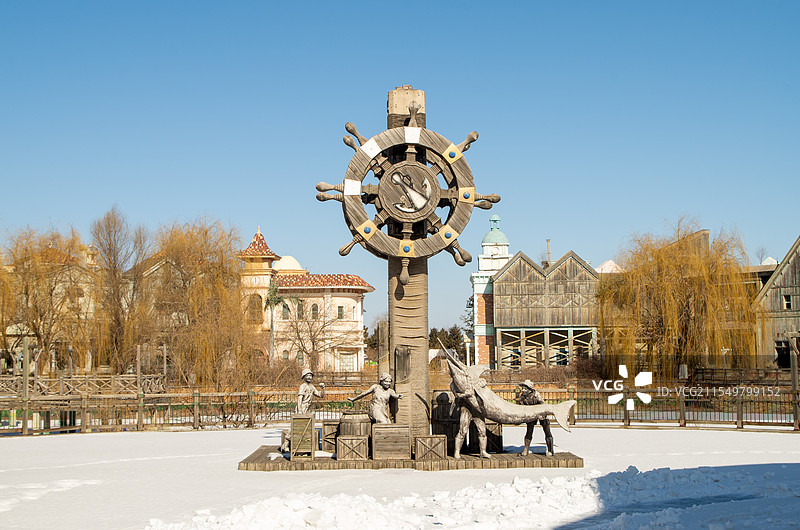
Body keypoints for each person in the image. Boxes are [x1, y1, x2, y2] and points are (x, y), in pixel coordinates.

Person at [517, 379, 554, 456]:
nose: (523, 390)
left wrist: (542, 414)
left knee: (547, 430)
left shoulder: (536, 395)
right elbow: (521, 407)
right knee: (529, 431)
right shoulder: (522, 397)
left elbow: (543, 404)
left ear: (529, 389)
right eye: (522, 388)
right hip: (531, 414)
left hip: (541, 414)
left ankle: (550, 449)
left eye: (525, 388)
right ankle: (526, 449)